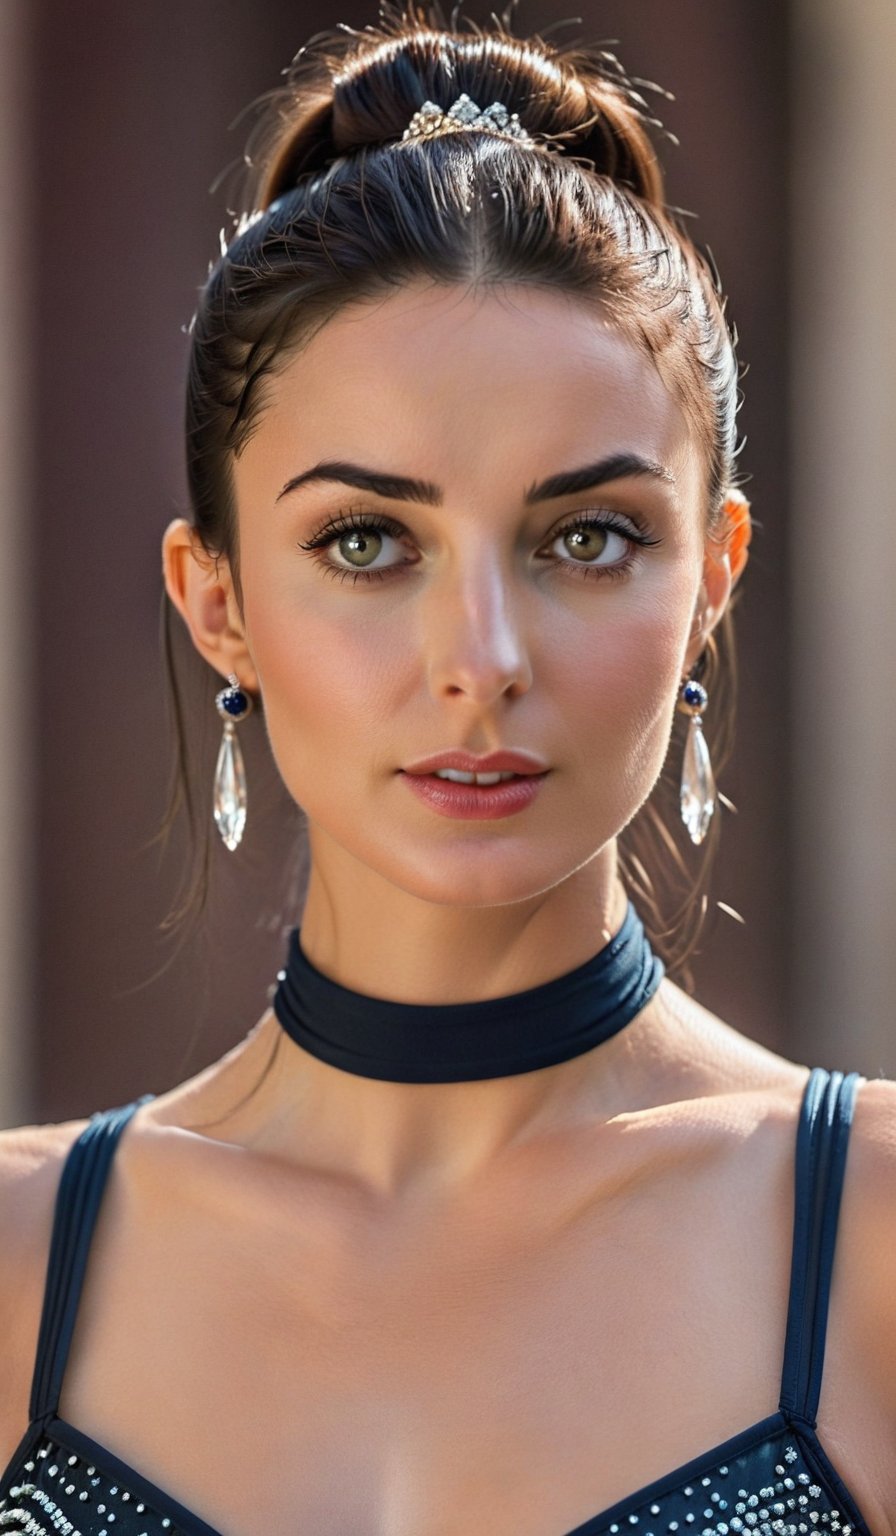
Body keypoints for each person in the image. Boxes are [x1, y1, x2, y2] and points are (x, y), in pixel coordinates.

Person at [1, 6, 894, 1534]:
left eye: (586, 537)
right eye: (368, 542)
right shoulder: (20, 1270)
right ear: (217, 600)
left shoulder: (872, 1237)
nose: (479, 656)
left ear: (716, 575)